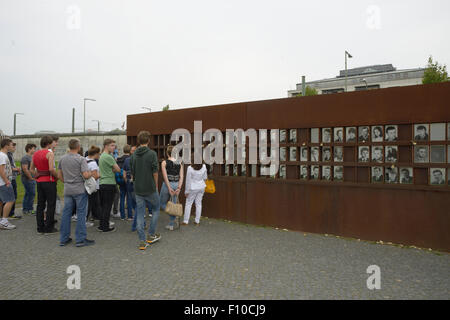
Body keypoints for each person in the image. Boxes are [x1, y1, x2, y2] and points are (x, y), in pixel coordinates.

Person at [58, 139, 94, 247]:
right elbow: (86, 175)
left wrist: (67, 181)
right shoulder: (81, 159)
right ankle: (80, 239)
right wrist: (91, 173)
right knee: (81, 214)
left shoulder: (62, 159)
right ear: (78, 147)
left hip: (68, 189)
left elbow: (59, 174)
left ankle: (64, 238)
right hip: (79, 189)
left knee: (66, 214)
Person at [130, 131, 160, 250]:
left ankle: (142, 241)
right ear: (148, 141)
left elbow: (132, 173)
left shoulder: (133, 155)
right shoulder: (152, 154)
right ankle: (151, 235)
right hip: (150, 188)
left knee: (140, 213)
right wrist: (155, 185)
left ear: (138, 141)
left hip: (138, 189)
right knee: (156, 209)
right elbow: (155, 172)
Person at [31, 135, 58, 234]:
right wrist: (57, 176)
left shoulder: (36, 154)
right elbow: (51, 169)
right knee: (51, 204)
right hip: (49, 181)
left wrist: (37, 174)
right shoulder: (49, 153)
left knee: (40, 204)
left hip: (39, 181)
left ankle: (40, 227)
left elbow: (31, 169)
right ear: (49, 144)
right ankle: (49, 228)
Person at [97, 139, 120, 233]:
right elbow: (118, 169)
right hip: (109, 183)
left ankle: (101, 225)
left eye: (114, 145)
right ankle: (105, 227)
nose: (114, 147)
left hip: (102, 183)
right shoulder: (109, 157)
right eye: (112, 145)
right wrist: (113, 169)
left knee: (103, 206)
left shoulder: (101, 156)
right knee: (107, 206)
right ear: (106, 146)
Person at [160, 146, 184, 231]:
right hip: (177, 184)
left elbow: (165, 176)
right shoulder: (180, 163)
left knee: (161, 203)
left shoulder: (164, 163)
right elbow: (181, 176)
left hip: (167, 184)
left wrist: (169, 187)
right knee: (174, 204)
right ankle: (172, 223)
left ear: (167, 153)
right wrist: (179, 188)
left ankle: (172, 221)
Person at [0, 138, 17, 230]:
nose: (12, 146)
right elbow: (1, 171)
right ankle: (4, 221)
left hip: (1, 182)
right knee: (10, 200)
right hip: (3, 182)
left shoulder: (3, 155)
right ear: (6, 146)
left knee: (1, 201)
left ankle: (1, 220)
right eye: (11, 145)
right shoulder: (3, 156)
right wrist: (6, 181)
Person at [86, 146, 101, 225]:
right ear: (95, 154)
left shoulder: (85, 159)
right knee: (94, 203)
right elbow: (95, 176)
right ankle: (87, 219)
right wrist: (100, 174)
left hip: (86, 185)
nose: (99, 155)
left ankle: (95, 216)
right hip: (93, 186)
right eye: (98, 154)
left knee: (90, 202)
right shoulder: (93, 163)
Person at [21, 143, 37, 215]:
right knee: (31, 194)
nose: (35, 150)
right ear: (29, 149)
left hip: (32, 178)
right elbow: (25, 169)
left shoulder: (31, 157)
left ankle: (26, 209)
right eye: (33, 148)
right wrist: (30, 178)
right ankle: (29, 209)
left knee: (28, 194)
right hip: (27, 179)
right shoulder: (25, 158)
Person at [7, 141, 21, 219]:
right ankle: (10, 213)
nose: (15, 148)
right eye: (13, 146)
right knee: (12, 196)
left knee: (12, 196)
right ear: (7, 146)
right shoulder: (7, 155)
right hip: (10, 179)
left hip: (12, 178)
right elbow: (8, 167)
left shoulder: (10, 155)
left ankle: (9, 213)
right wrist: (16, 169)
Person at [116, 145, 131, 220]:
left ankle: (122, 216)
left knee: (122, 198)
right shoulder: (130, 159)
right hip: (128, 180)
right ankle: (129, 215)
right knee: (129, 197)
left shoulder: (118, 159)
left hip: (120, 180)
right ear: (130, 150)